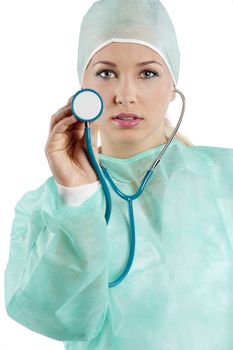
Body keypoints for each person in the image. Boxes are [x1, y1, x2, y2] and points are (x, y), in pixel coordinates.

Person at [4, 0, 233, 349]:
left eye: (148, 73)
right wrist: (76, 198)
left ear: (174, 86)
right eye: (106, 73)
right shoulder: (45, 206)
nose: (125, 95)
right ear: (82, 85)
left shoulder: (225, 177)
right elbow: (52, 317)